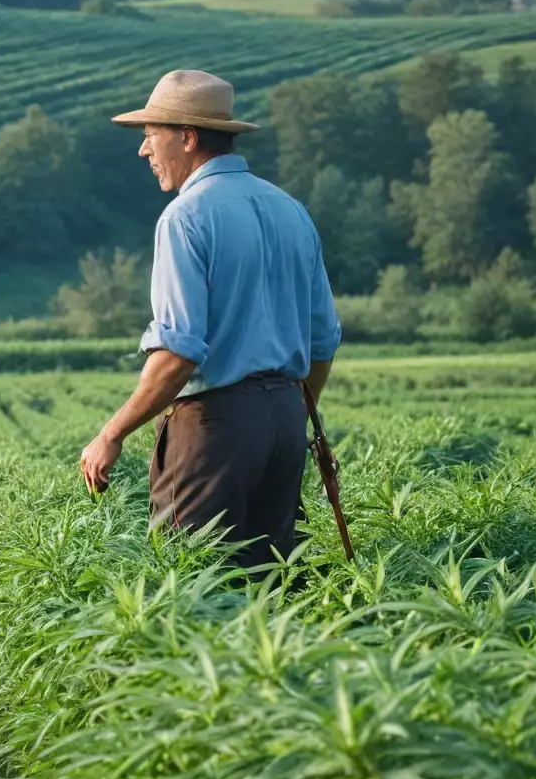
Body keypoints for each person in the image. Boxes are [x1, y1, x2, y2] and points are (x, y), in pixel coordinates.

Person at [77, 69, 341, 567]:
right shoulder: (291, 210)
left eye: (151, 136)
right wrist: (295, 417)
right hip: (287, 417)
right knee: (273, 582)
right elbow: (323, 340)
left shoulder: (186, 216)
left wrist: (110, 434)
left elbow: (178, 352)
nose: (143, 151)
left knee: (195, 586)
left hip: (215, 428)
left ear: (188, 137)